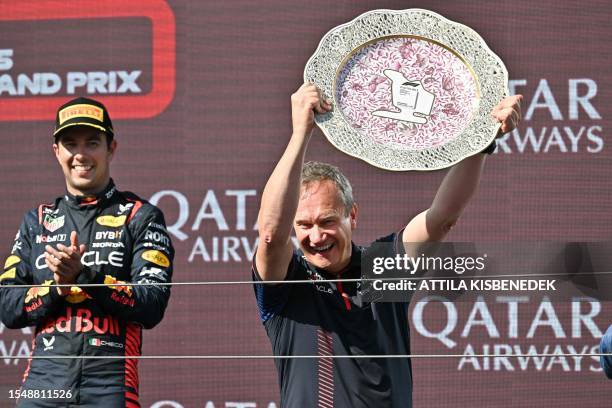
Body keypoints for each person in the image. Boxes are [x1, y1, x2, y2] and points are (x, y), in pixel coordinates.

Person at [252, 84, 521, 407]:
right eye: (304, 225)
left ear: (352, 215)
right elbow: (270, 234)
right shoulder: (287, 284)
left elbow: (441, 220)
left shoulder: (381, 267)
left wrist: (482, 142)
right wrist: (300, 134)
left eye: (327, 222)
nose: (316, 236)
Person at [0, 97, 174, 407]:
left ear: (111, 148)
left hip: (110, 385)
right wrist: (57, 289)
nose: (81, 155)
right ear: (57, 152)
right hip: (42, 387)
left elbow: (152, 304)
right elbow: (7, 305)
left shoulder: (140, 216)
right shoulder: (36, 220)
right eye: (70, 144)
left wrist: (85, 277)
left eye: (92, 143)